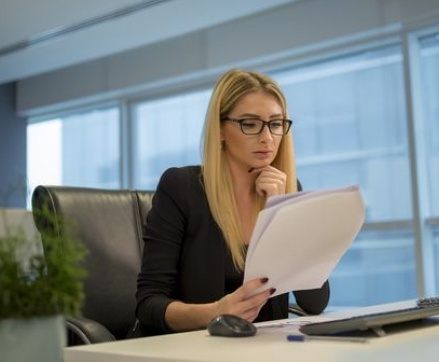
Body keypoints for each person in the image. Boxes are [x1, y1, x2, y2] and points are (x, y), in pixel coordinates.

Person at [135, 68, 330, 336]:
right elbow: (149, 304)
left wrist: (279, 209)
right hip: (190, 349)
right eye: (250, 124)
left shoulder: (286, 189)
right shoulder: (182, 187)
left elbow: (315, 302)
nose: (267, 137)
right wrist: (215, 312)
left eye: (275, 124)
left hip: (261, 350)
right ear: (220, 129)